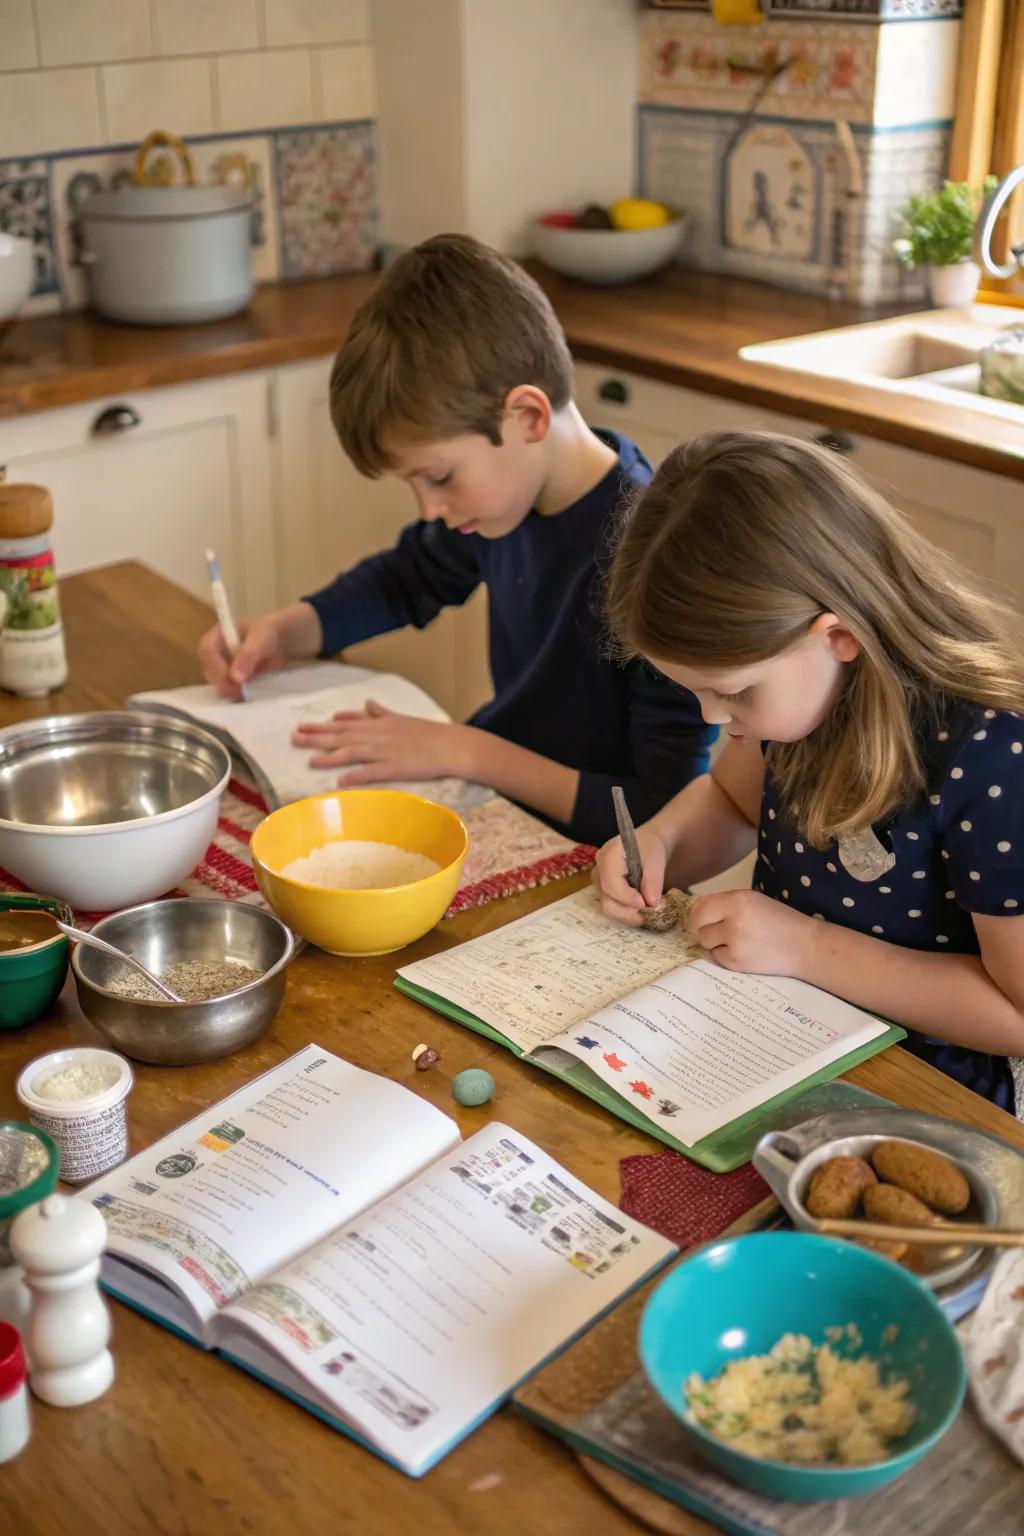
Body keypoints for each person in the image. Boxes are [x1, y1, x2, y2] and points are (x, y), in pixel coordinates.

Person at [198, 234, 713, 844]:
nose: (430, 509)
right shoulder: (509, 499)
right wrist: (288, 630)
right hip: (505, 811)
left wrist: (466, 751)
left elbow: (663, 812)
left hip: (594, 862)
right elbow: (406, 579)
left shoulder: (652, 557)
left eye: (439, 477)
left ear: (527, 417)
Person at [595, 429, 1024, 1110]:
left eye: (733, 691)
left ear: (838, 635)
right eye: (694, 690)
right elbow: (733, 806)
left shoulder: (992, 754)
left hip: (923, 1091)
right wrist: (663, 845)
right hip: (771, 1033)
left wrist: (810, 950)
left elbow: (1017, 1016)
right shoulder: (797, 703)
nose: (712, 716)